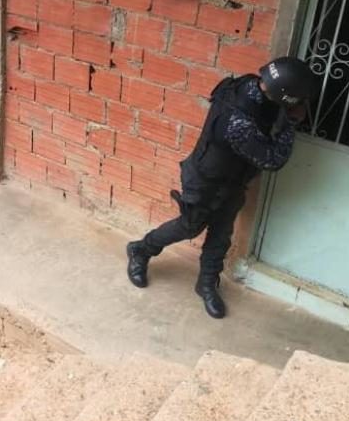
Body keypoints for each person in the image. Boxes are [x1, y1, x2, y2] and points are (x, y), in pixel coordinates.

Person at [125, 56, 317, 319]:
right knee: (189, 226)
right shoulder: (238, 123)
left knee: (221, 233)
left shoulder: (252, 83)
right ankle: (141, 249)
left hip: (232, 179)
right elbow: (273, 159)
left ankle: (205, 284)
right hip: (205, 180)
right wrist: (290, 124)